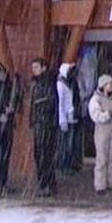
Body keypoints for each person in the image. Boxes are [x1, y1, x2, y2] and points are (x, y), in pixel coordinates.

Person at [30, 58, 58, 197]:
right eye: (33, 67)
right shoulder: (37, 83)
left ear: (43, 68)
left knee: (43, 155)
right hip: (39, 123)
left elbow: (49, 103)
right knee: (41, 154)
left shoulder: (46, 83)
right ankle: (47, 182)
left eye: (36, 67)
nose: (33, 70)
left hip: (44, 124)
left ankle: (45, 183)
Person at [0, 66, 22, 196]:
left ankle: (2, 183)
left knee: (4, 156)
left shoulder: (7, 87)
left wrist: (10, 110)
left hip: (6, 125)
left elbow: (14, 101)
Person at [57, 63, 80, 175]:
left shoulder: (69, 83)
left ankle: (68, 164)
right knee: (65, 144)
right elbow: (60, 104)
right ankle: (64, 166)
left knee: (69, 144)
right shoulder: (61, 85)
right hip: (65, 119)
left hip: (71, 117)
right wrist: (62, 120)